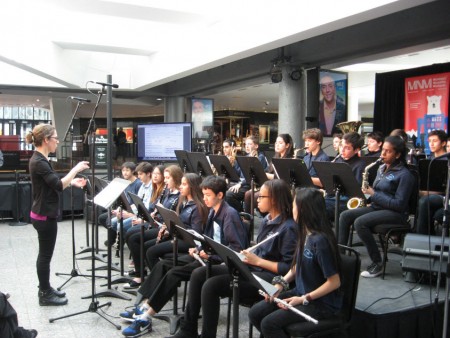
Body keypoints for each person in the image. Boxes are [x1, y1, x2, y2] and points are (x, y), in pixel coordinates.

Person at [121, 176, 248, 337]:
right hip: (207, 257)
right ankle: (145, 305)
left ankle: (147, 316)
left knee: (176, 272)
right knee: (164, 264)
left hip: (218, 263)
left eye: (208, 195)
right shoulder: (213, 210)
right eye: (204, 194)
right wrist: (200, 248)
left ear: (220, 195)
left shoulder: (229, 214)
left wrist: (209, 254)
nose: (205, 198)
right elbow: (208, 238)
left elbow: (235, 249)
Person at [169, 179, 297, 338]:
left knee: (211, 286)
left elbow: (288, 268)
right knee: (199, 274)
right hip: (253, 268)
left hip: (269, 279)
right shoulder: (267, 220)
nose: (256, 198)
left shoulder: (289, 228)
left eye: (261, 196)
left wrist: (257, 261)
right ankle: (188, 330)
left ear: (275, 200)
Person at [249, 188, 342, 338]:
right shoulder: (305, 233)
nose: (291, 209)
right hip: (300, 291)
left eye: (294, 206)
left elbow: (334, 282)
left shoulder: (321, 241)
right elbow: (296, 267)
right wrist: (279, 285)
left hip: (320, 303)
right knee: (256, 312)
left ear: (303, 210)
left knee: (269, 324)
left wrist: (304, 298)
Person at [25, 124, 89, 306]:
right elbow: (59, 186)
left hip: (42, 212)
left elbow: (54, 183)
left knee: (45, 255)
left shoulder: (41, 159)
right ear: (46, 140)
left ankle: (46, 287)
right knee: (45, 256)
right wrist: (75, 170)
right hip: (44, 215)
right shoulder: (39, 161)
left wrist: (72, 182)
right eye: (55, 138)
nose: (57, 142)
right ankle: (44, 293)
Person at [338, 136, 415, 278]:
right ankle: (339, 257)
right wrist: (367, 196)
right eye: (383, 150)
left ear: (397, 154)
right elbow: (377, 192)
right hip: (377, 207)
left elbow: (399, 204)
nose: (383, 154)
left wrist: (373, 194)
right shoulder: (381, 168)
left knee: (360, 222)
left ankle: (377, 263)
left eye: (388, 152)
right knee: (345, 215)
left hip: (396, 213)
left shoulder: (405, 175)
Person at [124, 165, 182, 288]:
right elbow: (158, 209)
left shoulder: (178, 196)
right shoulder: (167, 191)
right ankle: (144, 273)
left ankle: (144, 276)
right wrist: (151, 216)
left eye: (167, 178)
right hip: (157, 223)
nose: (165, 181)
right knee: (131, 235)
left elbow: (172, 217)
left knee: (136, 239)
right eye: (165, 178)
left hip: (164, 228)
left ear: (176, 179)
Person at [245, 133, 294, 214]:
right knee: (248, 194)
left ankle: (266, 215)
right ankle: (248, 219)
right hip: (271, 186)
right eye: (276, 143)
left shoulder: (289, 159)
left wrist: (267, 175)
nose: (277, 145)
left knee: (253, 197)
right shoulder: (275, 157)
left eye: (280, 143)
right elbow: (267, 171)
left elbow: (283, 178)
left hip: (281, 188)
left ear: (287, 145)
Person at [97, 162, 142, 246]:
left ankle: (120, 238)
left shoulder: (138, 184)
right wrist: (119, 209)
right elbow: (123, 199)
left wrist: (127, 212)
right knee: (102, 218)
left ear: (132, 171)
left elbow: (137, 202)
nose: (124, 173)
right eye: (123, 170)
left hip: (132, 211)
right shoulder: (125, 182)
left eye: (127, 170)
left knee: (110, 220)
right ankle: (116, 237)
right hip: (125, 208)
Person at [324, 132, 366, 220]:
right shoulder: (338, 159)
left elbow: (356, 191)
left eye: (347, 148)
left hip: (347, 200)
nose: (342, 150)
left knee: (320, 206)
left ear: (356, 150)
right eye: (341, 146)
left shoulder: (360, 165)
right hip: (335, 196)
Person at [416, 129, 448, 235]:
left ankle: (422, 235)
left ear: (443, 143)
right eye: (429, 141)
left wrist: (430, 193)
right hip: (426, 192)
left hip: (443, 196)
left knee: (425, 201)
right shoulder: (428, 160)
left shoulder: (447, 161)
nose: (431, 144)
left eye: (435, 141)